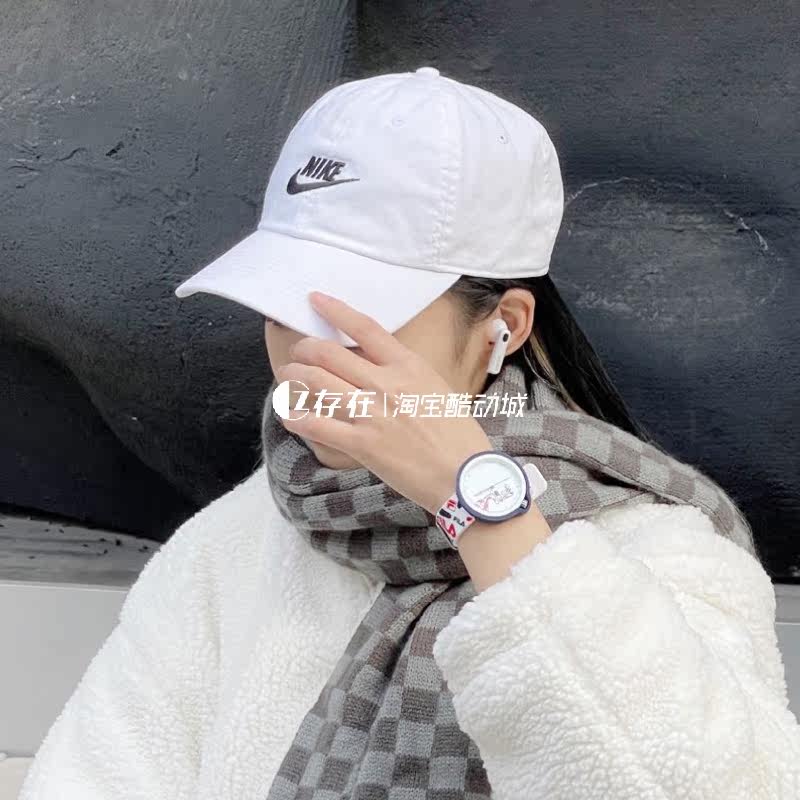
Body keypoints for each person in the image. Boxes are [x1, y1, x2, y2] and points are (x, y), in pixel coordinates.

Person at [19, 66, 800, 800]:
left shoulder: (658, 548)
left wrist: (474, 501)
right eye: (281, 305)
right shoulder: (232, 548)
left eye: (355, 317)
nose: (308, 356)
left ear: (504, 325)